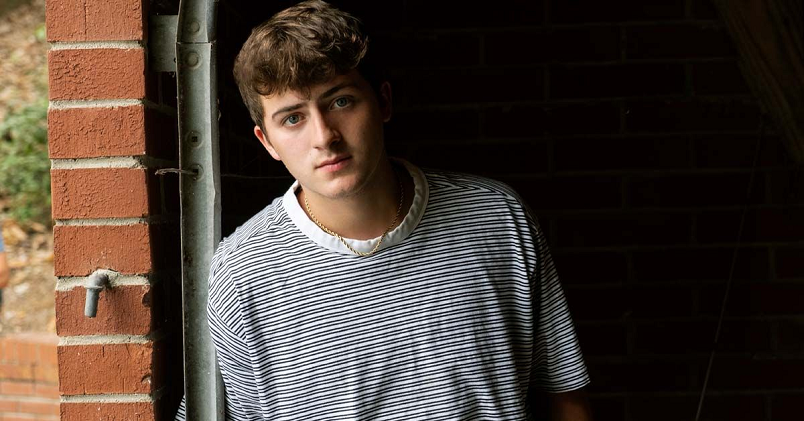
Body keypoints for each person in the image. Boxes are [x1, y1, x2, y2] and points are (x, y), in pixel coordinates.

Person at [176, 1, 592, 419]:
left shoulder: (497, 216)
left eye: (341, 101)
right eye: (292, 119)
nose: (324, 136)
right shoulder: (240, 271)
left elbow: (565, 394)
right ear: (267, 142)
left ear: (383, 102)